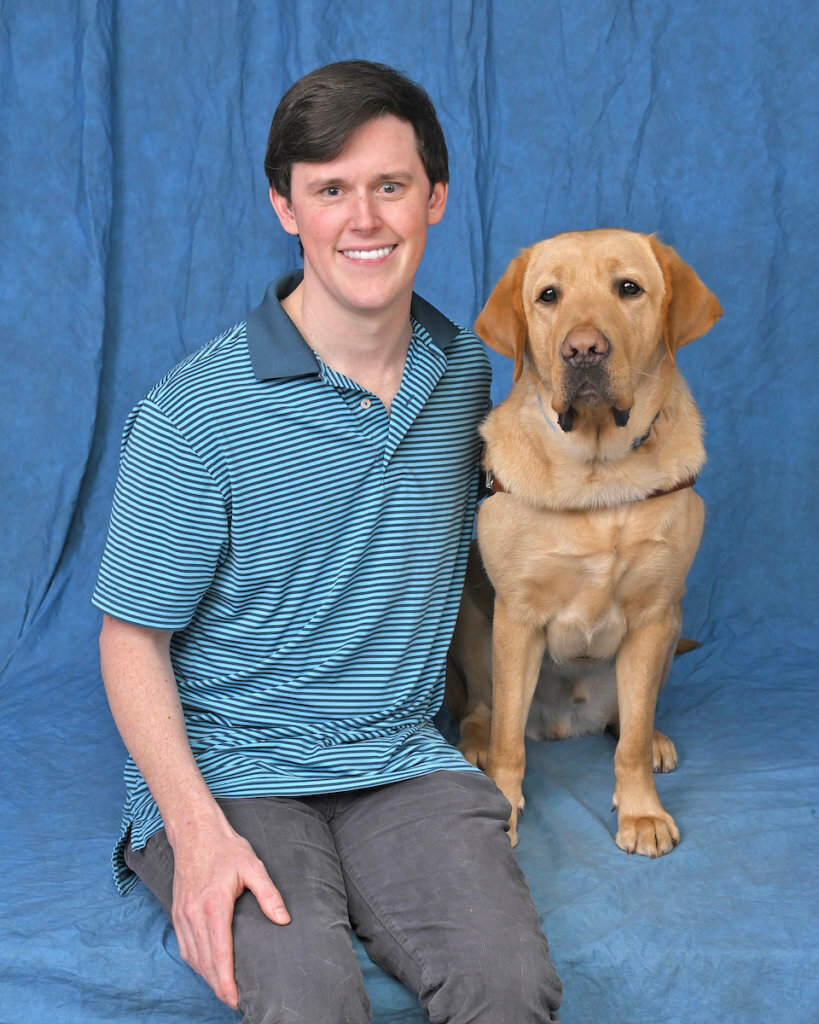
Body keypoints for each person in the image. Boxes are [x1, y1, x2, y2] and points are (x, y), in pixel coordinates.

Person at [94, 59, 562, 1023]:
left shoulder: (465, 375)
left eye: (389, 186)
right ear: (285, 208)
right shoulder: (193, 415)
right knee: (308, 1002)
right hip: (228, 767)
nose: (364, 219)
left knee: (510, 991)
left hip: (398, 758)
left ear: (434, 198)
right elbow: (127, 639)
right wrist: (195, 833)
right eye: (330, 190)